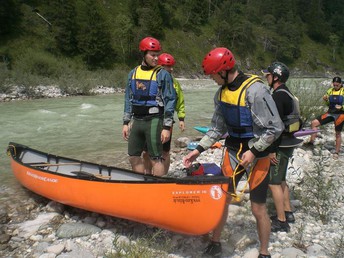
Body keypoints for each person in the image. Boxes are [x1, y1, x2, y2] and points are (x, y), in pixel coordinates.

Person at [183, 48, 284, 258]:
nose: (211, 79)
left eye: (212, 74)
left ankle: (264, 252)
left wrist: (254, 152)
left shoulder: (256, 91)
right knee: (222, 200)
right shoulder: (220, 93)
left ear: (223, 71)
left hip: (258, 155)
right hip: (232, 152)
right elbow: (217, 128)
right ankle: (215, 242)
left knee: (258, 209)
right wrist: (199, 150)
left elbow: (275, 128)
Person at [122, 37, 176, 176]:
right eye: (153, 55)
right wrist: (126, 122)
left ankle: (158, 188)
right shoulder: (132, 73)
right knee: (133, 156)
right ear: (144, 54)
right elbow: (128, 98)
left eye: (157, 54)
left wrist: (166, 127)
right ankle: (141, 184)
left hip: (154, 120)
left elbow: (170, 100)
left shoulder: (162, 74)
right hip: (137, 120)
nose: (156, 58)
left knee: (155, 157)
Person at [262, 62, 302, 233]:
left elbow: (275, 127)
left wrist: (270, 150)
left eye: (268, 75)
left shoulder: (278, 96)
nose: (266, 77)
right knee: (282, 179)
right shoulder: (286, 93)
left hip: (280, 145)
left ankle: (281, 221)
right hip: (288, 142)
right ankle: (288, 212)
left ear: (276, 77)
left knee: (273, 182)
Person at [143, 53, 186, 174]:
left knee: (165, 151)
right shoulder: (151, 79)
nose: (171, 69)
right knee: (146, 151)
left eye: (172, 66)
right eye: (168, 66)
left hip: (166, 121)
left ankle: (164, 175)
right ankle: (147, 175)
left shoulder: (174, 82)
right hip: (150, 119)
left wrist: (181, 118)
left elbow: (179, 100)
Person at [308, 76, 344, 159]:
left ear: (341, 84)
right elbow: (328, 104)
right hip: (330, 113)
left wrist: (342, 107)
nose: (335, 87)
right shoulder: (330, 91)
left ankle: (337, 152)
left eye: (337, 85)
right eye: (334, 85)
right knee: (314, 123)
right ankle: (311, 143)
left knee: (337, 133)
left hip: (340, 115)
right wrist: (326, 100)